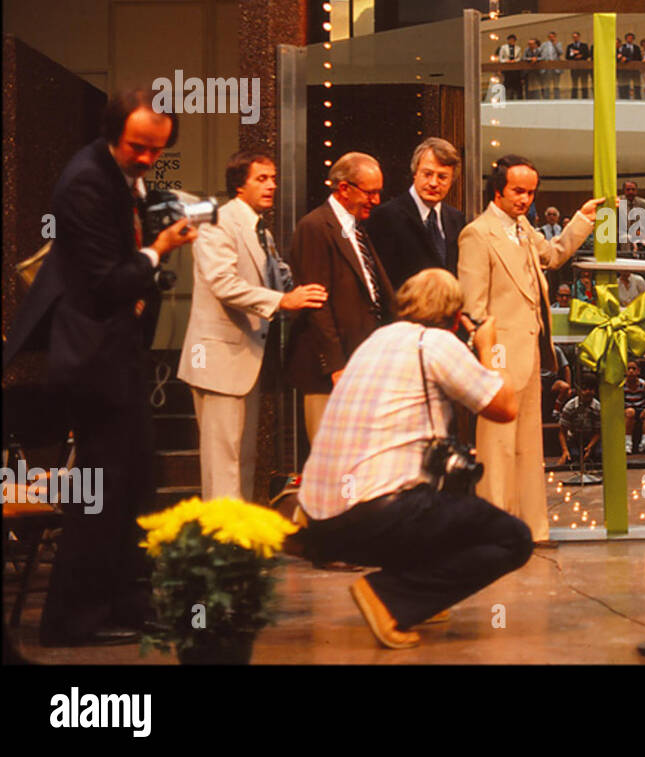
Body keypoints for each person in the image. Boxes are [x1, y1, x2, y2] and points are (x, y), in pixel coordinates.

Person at [3, 89, 198, 647]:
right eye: (139, 147)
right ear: (114, 131)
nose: (146, 158)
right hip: (91, 360)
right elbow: (107, 283)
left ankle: (129, 605)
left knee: (134, 485)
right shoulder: (85, 180)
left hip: (116, 353)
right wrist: (160, 247)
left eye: (157, 150)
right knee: (102, 493)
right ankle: (69, 623)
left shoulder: (123, 176)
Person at [298, 268, 528, 649]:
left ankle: (419, 600)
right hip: (378, 514)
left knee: (448, 505)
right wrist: (487, 346)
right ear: (455, 317)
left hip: (322, 524)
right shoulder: (436, 343)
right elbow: (504, 407)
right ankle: (389, 598)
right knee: (512, 538)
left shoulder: (375, 341)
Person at [457, 154, 602, 542]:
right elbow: (473, 307)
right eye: (518, 191)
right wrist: (488, 359)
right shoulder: (477, 233)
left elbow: (553, 255)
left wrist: (583, 219)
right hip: (499, 353)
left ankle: (530, 528)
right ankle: (494, 529)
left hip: (531, 352)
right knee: (497, 445)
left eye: (531, 192)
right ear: (498, 189)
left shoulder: (522, 228)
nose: (524, 199)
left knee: (526, 444)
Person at [180, 150, 328, 501]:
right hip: (219, 362)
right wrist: (282, 301)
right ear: (238, 185)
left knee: (243, 461)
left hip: (248, 359)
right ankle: (221, 547)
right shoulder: (217, 221)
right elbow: (223, 284)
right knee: (224, 466)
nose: (272, 186)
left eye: (274, 178)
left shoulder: (260, 230)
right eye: (261, 179)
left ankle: (238, 545)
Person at [287, 152, 396, 444]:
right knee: (333, 458)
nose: (375, 201)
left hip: (361, 362)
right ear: (344, 188)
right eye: (370, 193)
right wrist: (336, 366)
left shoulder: (357, 228)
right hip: (331, 373)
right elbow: (316, 302)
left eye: (378, 193)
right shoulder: (315, 227)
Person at [365, 137, 466, 290]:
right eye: (427, 174)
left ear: (452, 181)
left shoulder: (457, 219)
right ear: (415, 173)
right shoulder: (386, 217)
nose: (433, 183)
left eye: (442, 177)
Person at [558, 378, 602, 466]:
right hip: (574, 438)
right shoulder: (570, 406)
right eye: (584, 389)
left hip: (592, 438)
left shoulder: (597, 407)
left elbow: (598, 432)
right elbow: (562, 432)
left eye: (591, 389)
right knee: (574, 457)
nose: (588, 392)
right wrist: (565, 451)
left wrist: (590, 446)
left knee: (599, 455)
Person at [623, 361, 645, 454]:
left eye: (634, 369)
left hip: (641, 409)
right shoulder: (622, 385)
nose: (631, 371)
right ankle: (627, 443)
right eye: (628, 369)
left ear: (638, 371)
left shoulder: (643, 384)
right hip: (628, 410)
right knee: (630, 412)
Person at [566, 31, 592, 99]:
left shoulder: (584, 45)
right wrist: (574, 56)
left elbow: (588, 54)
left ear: (579, 37)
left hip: (583, 68)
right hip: (574, 67)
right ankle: (574, 98)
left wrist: (581, 55)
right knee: (574, 84)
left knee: (584, 83)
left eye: (576, 37)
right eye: (573, 37)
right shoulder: (570, 46)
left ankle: (585, 97)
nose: (575, 38)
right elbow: (567, 57)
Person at [539, 31, 564, 99]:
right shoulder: (544, 44)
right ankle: (546, 98)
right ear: (548, 38)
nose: (551, 38)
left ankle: (557, 98)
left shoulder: (558, 44)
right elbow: (539, 52)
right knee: (546, 84)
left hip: (556, 67)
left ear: (555, 37)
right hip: (547, 67)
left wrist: (555, 45)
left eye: (553, 37)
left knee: (556, 84)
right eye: (550, 37)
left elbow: (560, 52)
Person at [616, 32, 642, 99]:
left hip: (635, 69)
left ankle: (638, 98)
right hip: (625, 70)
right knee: (624, 85)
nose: (629, 39)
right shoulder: (623, 47)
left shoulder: (636, 47)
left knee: (637, 85)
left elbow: (638, 58)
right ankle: (625, 98)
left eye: (631, 38)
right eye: (628, 38)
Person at [497, 34, 523, 99]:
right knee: (508, 84)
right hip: (507, 69)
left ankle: (518, 98)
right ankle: (508, 98)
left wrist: (515, 61)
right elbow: (500, 58)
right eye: (510, 40)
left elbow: (519, 58)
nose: (511, 41)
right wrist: (506, 61)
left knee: (517, 84)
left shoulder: (518, 48)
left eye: (513, 40)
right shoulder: (503, 47)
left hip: (515, 69)